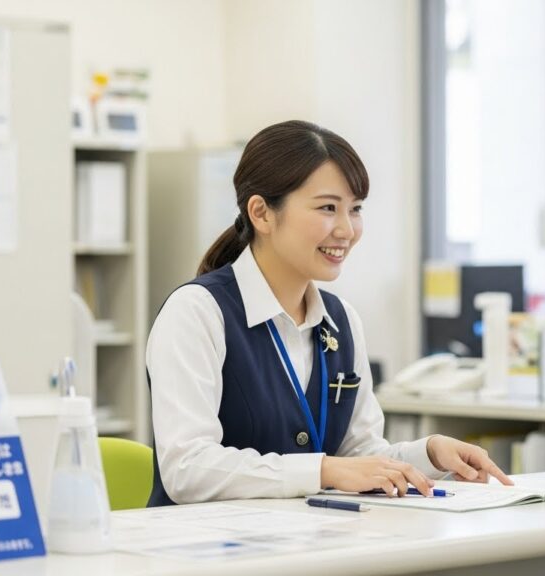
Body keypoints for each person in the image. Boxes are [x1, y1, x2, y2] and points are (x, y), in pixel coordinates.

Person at [147, 120, 512, 506]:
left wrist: (430, 453)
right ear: (262, 213)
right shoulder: (197, 313)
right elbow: (186, 468)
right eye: (327, 208)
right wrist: (322, 470)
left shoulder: (341, 320)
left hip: (308, 547)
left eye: (354, 209)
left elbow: (359, 456)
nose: (346, 229)